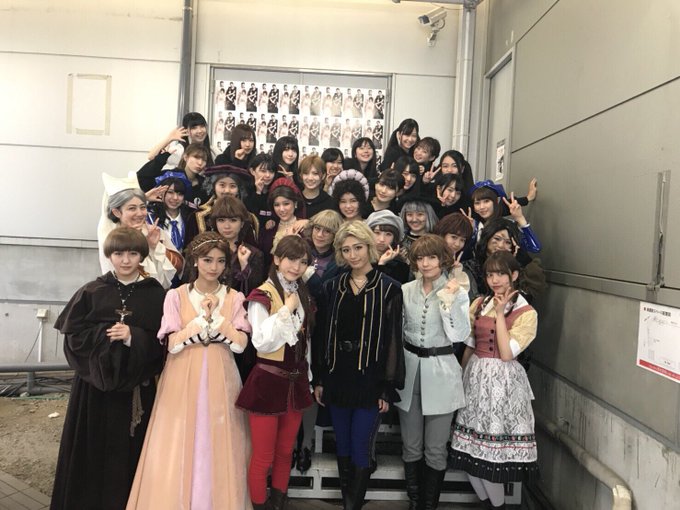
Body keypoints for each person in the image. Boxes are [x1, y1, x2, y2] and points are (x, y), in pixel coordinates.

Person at [126, 232, 252, 509]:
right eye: (207, 260)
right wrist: (199, 323)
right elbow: (171, 344)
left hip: (221, 373)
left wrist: (215, 319)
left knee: (219, 439)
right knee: (177, 437)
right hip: (181, 374)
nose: (214, 267)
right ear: (195, 260)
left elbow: (241, 344)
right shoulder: (176, 295)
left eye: (220, 261)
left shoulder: (234, 297)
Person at [51, 228, 166, 510]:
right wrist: (104, 334)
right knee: (91, 452)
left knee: (131, 455)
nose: (125, 260)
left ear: (142, 255)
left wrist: (132, 337)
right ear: (109, 255)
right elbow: (73, 339)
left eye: (133, 253)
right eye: (118, 253)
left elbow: (164, 344)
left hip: (136, 392)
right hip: (93, 391)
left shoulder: (156, 295)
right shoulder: (92, 291)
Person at [314, 221, 405, 510]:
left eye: (358, 248)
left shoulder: (390, 288)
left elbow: (393, 340)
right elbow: (322, 335)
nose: (353, 255)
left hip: (370, 378)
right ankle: (348, 503)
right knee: (341, 443)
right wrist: (320, 379)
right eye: (346, 250)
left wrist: (386, 387)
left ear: (369, 247)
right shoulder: (331, 287)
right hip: (337, 375)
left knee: (360, 445)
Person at [450, 251, 540, 509]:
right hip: (475, 378)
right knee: (469, 455)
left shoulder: (526, 312)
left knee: (491, 458)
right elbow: (469, 345)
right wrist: (460, 380)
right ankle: (487, 504)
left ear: (514, 275)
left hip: (504, 383)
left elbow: (508, 353)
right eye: (490, 274)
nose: (495, 280)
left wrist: (500, 315)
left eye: (501, 274)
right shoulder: (480, 303)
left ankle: (498, 506)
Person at [236, 236, 315, 510]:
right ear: (277, 259)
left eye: (302, 261)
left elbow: (305, 342)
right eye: (291, 259)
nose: (296, 266)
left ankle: (279, 503)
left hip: (296, 382)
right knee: (263, 456)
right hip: (268, 383)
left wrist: (308, 377)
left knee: (285, 452)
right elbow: (261, 342)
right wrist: (285, 310)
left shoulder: (302, 292)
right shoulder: (261, 295)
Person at [396, 234, 470, 510]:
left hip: (441, 370)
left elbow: (459, 335)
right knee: (411, 445)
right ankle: (415, 502)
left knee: (436, 448)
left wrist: (449, 300)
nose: (425, 263)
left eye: (431, 257)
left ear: (443, 260)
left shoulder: (457, 291)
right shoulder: (405, 290)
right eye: (419, 258)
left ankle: (429, 506)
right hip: (409, 370)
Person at [98, 173, 183, 290]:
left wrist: (155, 246)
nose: (140, 213)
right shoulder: (111, 237)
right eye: (132, 208)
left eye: (143, 207)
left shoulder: (154, 232)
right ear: (117, 212)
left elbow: (176, 268)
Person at [366, 209, 410, 284]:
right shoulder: (360, 259)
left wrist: (382, 263)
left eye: (388, 234)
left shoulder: (400, 266)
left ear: (394, 238)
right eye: (377, 233)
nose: (382, 239)